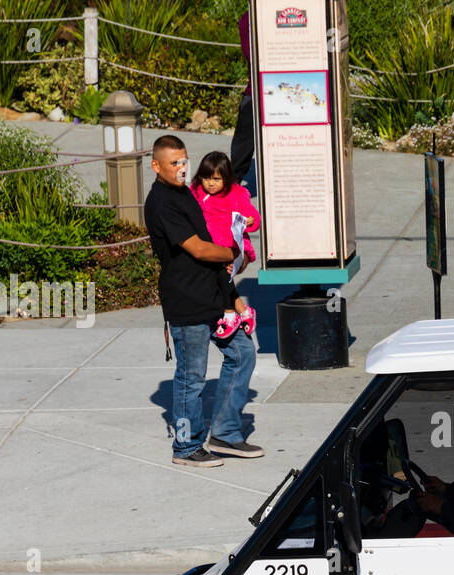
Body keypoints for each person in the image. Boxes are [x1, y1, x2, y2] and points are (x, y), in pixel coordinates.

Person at [145, 134, 263, 468]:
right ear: (156, 166)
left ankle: (225, 432)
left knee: (243, 353)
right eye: (174, 163)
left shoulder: (187, 194)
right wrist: (231, 252)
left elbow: (218, 232)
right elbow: (197, 247)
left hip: (214, 293)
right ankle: (185, 446)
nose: (182, 168)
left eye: (185, 161)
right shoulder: (161, 202)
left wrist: (233, 293)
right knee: (191, 376)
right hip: (186, 299)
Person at [191, 150, 259, 339]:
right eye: (206, 178)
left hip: (235, 249)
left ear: (226, 179)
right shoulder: (196, 192)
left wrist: (250, 221)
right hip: (213, 249)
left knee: (223, 274)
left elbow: (254, 217)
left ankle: (230, 314)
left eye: (216, 179)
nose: (210, 183)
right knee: (220, 276)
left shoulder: (236, 195)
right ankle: (244, 312)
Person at [230, 10, 255, 184]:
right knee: (243, 145)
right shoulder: (249, 18)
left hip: (291, 91)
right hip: (256, 92)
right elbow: (251, 54)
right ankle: (232, 187)